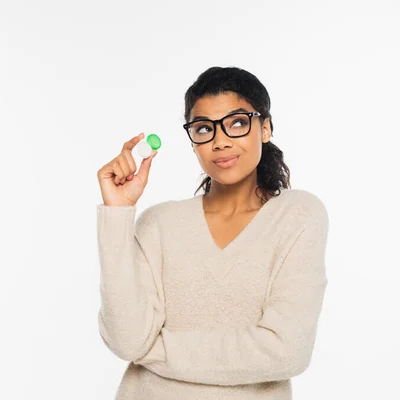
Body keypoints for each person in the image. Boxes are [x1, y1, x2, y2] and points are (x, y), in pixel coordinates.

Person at [95, 66, 329, 400]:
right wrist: (118, 213)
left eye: (237, 122)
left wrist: (155, 351)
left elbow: (286, 349)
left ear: (266, 128)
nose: (220, 141)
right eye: (204, 128)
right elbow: (127, 340)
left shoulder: (298, 215)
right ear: (193, 142)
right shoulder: (159, 223)